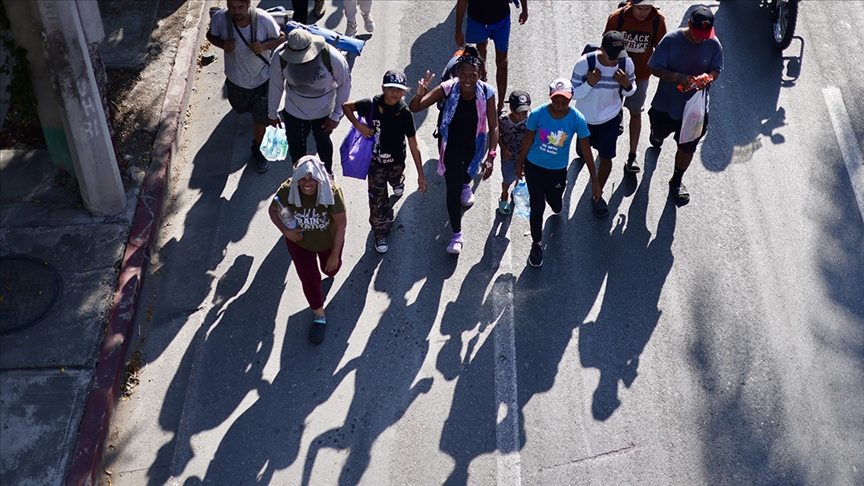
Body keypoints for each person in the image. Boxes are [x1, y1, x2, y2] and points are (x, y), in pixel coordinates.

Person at [409, 52, 498, 255]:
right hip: (450, 145)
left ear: (480, 75)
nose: (468, 80)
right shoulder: (448, 88)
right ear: (457, 73)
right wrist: (419, 94)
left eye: (472, 76)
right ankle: (456, 235)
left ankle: (467, 183)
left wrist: (491, 154)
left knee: (468, 173)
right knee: (453, 187)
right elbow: (415, 108)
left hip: (475, 144)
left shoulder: (488, 92)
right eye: (464, 75)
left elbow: (493, 126)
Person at [515, 79, 598, 268]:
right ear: (550, 97)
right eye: (556, 101)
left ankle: (555, 200)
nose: (560, 106)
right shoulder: (537, 114)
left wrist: (595, 181)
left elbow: (586, 150)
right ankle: (536, 244)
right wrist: (520, 164)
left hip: (557, 171)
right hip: (534, 167)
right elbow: (527, 141)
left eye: (565, 102)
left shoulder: (577, 119)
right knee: (537, 207)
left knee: (555, 203)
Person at [342, 70, 427, 254]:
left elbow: (413, 143)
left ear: (404, 92)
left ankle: (398, 182)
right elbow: (346, 107)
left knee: (395, 181)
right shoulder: (370, 105)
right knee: (377, 199)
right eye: (390, 89)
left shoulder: (404, 113)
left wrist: (421, 175)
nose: (394, 93)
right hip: (375, 164)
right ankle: (380, 231)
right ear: (383, 88)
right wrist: (360, 126)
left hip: (396, 162)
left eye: (399, 89)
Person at [647, 6, 722, 203]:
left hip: (695, 111)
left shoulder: (713, 44)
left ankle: (677, 180)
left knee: (687, 147)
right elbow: (655, 69)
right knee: (659, 132)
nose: (701, 38)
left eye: (705, 34)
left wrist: (708, 78)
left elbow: (716, 69)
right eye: (698, 33)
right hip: (666, 104)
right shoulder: (671, 40)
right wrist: (680, 77)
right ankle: (656, 135)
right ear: (688, 23)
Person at [269, 155, 346, 344]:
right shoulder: (287, 190)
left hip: (327, 243)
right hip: (300, 245)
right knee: (310, 280)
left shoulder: (332, 192)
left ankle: (328, 270)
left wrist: (334, 255)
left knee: (331, 270)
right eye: (302, 178)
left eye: (312, 178)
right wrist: (286, 232)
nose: (307, 183)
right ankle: (319, 316)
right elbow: (273, 210)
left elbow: (341, 225)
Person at [206, 0, 284, 172]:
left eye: (240, 7)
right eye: (232, 7)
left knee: (260, 118)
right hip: (236, 81)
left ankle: (258, 149)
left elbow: (281, 37)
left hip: (262, 80)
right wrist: (222, 44)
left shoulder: (263, 20)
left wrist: (263, 46)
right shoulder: (220, 18)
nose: (236, 11)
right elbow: (210, 36)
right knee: (241, 107)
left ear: (249, 3)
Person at [570, 31, 636, 218]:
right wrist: (589, 83)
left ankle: (597, 195)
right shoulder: (585, 63)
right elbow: (573, 93)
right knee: (585, 151)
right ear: (602, 49)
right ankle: (583, 146)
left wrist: (626, 84)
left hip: (610, 118)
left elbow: (631, 91)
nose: (616, 61)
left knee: (606, 158)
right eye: (612, 56)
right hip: (585, 120)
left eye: (619, 56)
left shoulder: (626, 63)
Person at [269, 29, 352, 176]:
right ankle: (300, 177)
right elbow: (276, 85)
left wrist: (335, 116)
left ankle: (327, 174)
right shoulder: (279, 56)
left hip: (323, 111)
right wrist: (272, 112)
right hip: (294, 109)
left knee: (323, 142)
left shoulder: (332, 57)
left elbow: (344, 85)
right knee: (296, 147)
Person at [604, 0, 667, 173]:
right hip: (615, 74)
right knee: (610, 112)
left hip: (640, 76)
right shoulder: (617, 18)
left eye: (647, 9)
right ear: (631, 4)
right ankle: (604, 152)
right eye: (640, 8)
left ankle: (632, 156)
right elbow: (606, 45)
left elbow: (661, 49)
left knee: (636, 112)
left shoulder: (657, 20)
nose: (643, 13)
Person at [454, 0, 528, 112]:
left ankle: (500, 105)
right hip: (477, 20)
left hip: (501, 19)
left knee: (502, 62)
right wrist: (458, 29)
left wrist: (525, 9)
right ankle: (482, 73)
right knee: (481, 47)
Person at [497, 90, 531, 215]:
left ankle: (516, 191)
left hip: (524, 155)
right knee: (507, 178)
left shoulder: (530, 121)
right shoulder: (503, 120)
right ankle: (504, 194)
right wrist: (503, 148)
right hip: (508, 157)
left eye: (524, 112)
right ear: (511, 108)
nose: (522, 116)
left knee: (520, 175)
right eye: (519, 112)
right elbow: (497, 135)